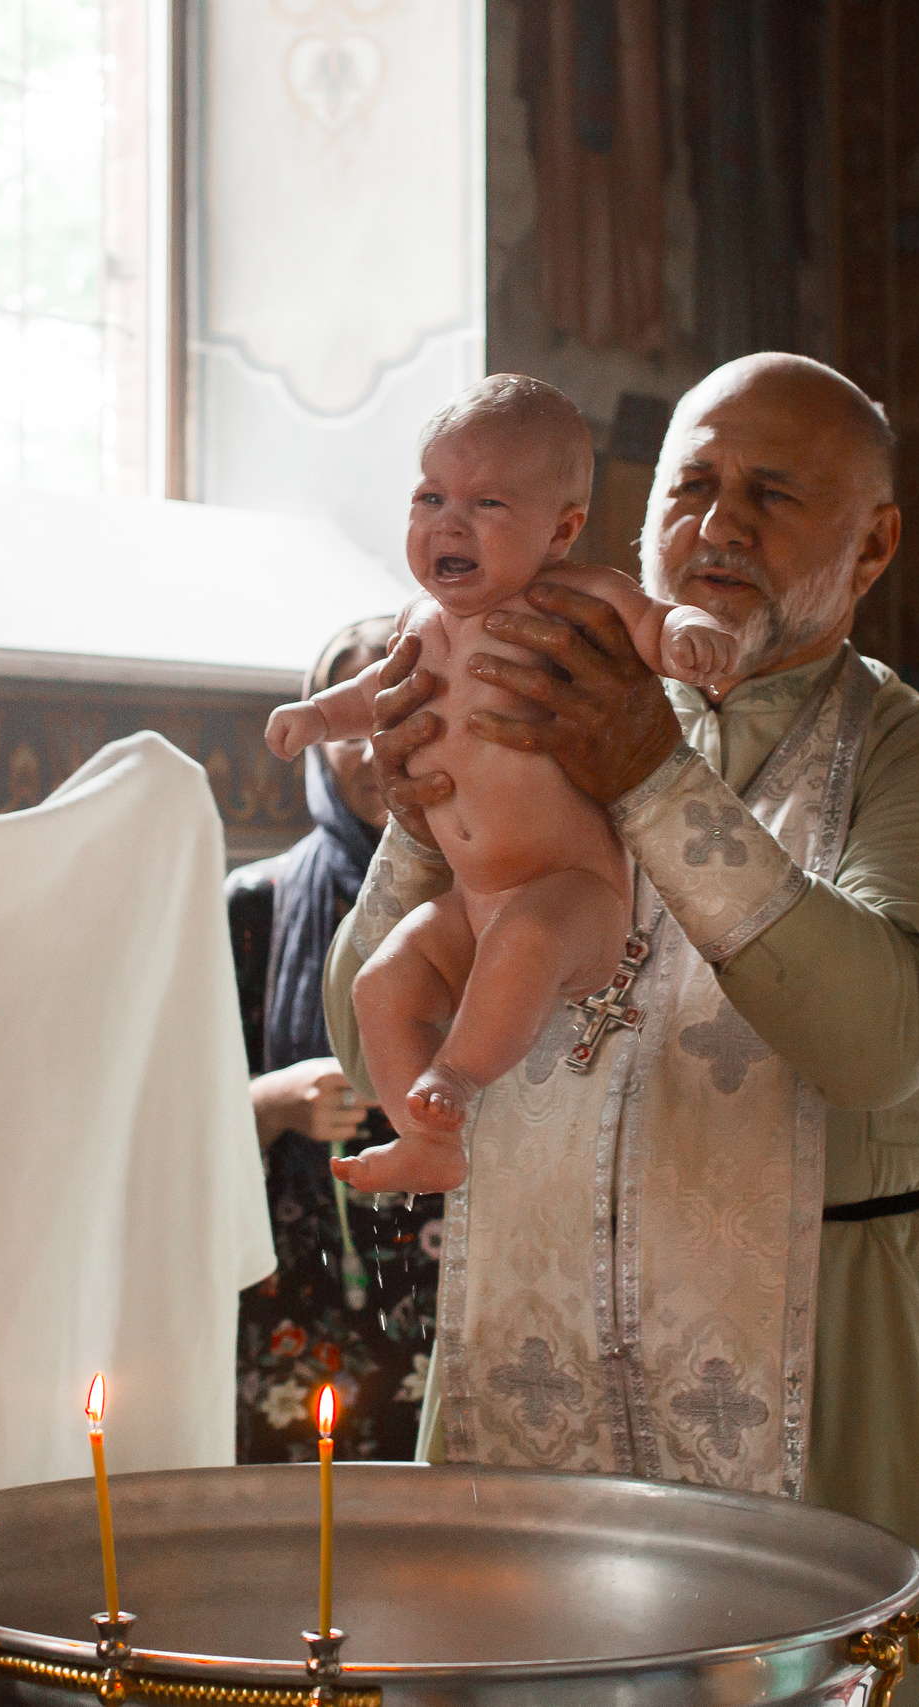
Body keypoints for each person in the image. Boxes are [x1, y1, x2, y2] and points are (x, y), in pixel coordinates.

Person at [322, 353, 919, 1699]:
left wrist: (648, 772)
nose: (718, 525)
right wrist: (418, 826)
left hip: (826, 1344)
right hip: (532, 1330)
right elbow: (371, 1056)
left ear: (874, 543)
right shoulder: (511, 697)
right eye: (691, 487)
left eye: (773, 493)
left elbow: (876, 1044)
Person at [265, 376, 737, 1188]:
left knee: (524, 941)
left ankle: (454, 1077)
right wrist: (317, 716)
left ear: (563, 529)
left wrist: (689, 631)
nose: (448, 523)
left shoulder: (578, 599)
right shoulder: (417, 621)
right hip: (471, 897)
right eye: (430, 497)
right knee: (384, 982)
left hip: (572, 896)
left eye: (486, 504)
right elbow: (379, 688)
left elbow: (653, 624)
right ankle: (427, 1140)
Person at [229, 617, 443, 1463]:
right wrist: (274, 1101)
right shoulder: (254, 908)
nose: (373, 750)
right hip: (301, 1302)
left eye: (399, 715)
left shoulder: (495, 903)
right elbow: (164, 1118)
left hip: (456, 1295)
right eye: (353, 727)